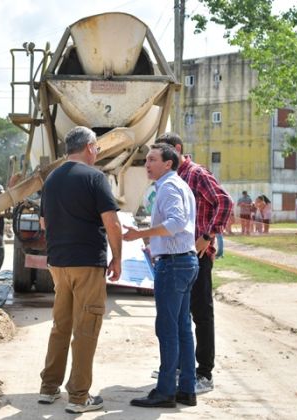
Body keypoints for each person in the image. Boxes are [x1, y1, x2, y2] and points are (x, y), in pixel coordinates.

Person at [37, 126, 122, 414]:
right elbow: (112, 223)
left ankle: (49, 388)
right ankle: (79, 397)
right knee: (86, 328)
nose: (97, 151)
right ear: (88, 147)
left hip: (58, 263)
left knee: (61, 326)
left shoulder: (51, 179)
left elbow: (44, 223)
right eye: (96, 146)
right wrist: (118, 258)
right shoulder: (95, 178)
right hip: (87, 262)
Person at [155, 133, 233, 395]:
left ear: (176, 151)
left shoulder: (196, 173)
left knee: (201, 314)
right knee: (180, 316)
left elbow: (224, 202)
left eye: (160, 153)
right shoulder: (175, 178)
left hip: (198, 255)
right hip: (181, 256)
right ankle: (179, 367)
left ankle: (204, 373)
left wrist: (208, 236)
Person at [124, 143, 199, 408]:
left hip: (174, 265)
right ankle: (187, 390)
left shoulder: (168, 187)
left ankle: (166, 391)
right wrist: (152, 243)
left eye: (153, 159)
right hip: (184, 261)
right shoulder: (177, 185)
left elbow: (176, 223)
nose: (147, 164)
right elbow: (177, 227)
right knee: (181, 329)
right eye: (146, 159)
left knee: (168, 330)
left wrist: (139, 234)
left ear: (168, 163)